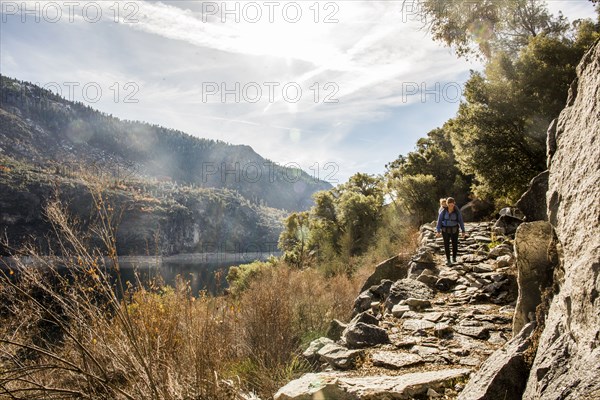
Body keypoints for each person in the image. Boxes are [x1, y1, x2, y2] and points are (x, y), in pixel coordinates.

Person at [435, 197, 467, 266]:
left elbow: (460, 221)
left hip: (455, 230)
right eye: (449, 205)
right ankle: (448, 259)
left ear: (454, 204)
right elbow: (439, 221)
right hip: (445, 230)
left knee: (454, 244)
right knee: (446, 245)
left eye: (452, 205)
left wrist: (463, 230)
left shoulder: (456, 211)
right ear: (447, 204)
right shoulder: (443, 211)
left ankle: (454, 258)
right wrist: (438, 231)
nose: (451, 206)